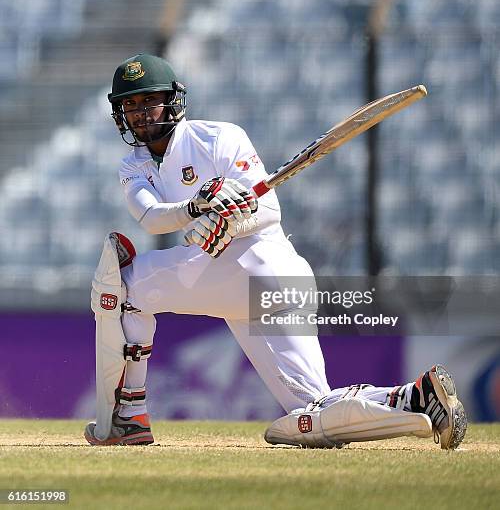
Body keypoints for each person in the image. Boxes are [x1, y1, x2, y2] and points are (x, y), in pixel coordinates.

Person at [84, 54, 467, 450]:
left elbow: (267, 209)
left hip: (258, 267)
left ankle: (128, 417)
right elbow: (151, 216)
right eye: (130, 105)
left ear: (174, 101)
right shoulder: (133, 166)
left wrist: (230, 223)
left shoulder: (218, 138)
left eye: (149, 101)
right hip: (261, 283)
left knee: (120, 284)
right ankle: (418, 399)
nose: (140, 113)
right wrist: (197, 208)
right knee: (310, 412)